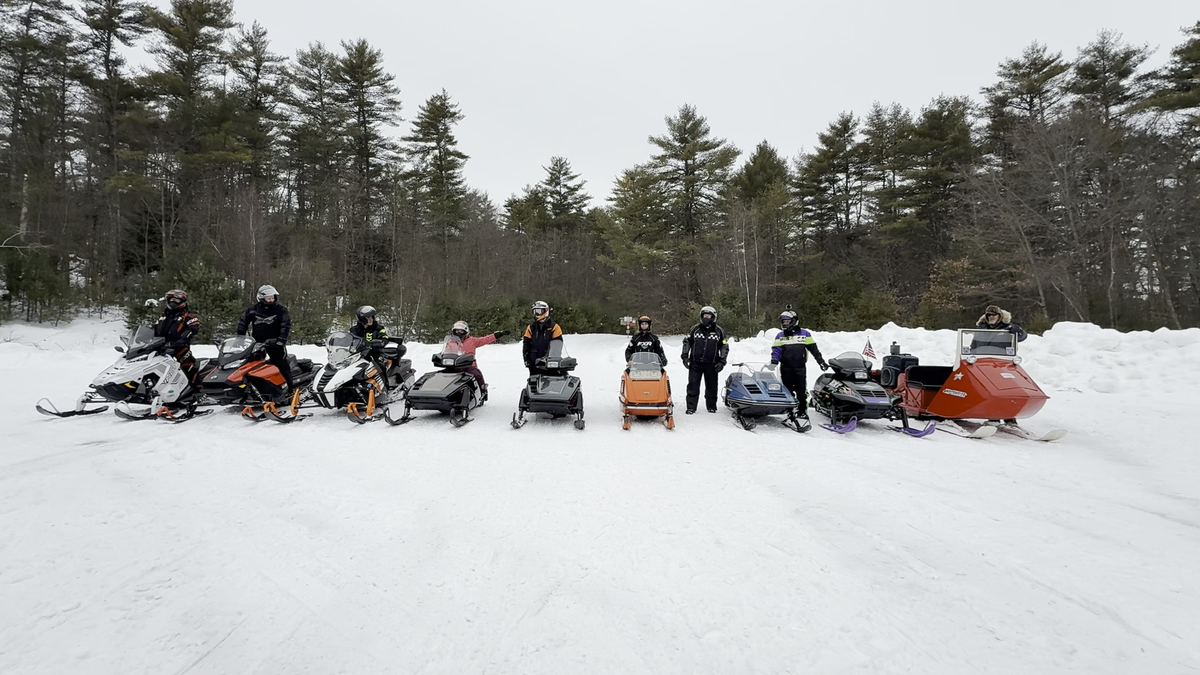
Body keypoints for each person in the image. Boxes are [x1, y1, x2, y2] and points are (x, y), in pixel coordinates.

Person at [769, 310, 828, 419]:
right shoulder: (780, 336)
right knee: (787, 390)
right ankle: (790, 410)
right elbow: (776, 350)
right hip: (785, 368)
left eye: (787, 321)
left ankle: (802, 411)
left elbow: (814, 350)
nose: (785, 324)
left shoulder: (805, 334)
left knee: (801, 391)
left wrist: (821, 362)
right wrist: (774, 361)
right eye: (783, 321)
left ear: (793, 321)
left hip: (800, 368)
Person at [236, 284, 294, 390]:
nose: (271, 300)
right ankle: (255, 387)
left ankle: (290, 388)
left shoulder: (281, 310)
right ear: (261, 298)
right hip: (257, 343)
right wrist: (240, 337)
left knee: (281, 364)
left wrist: (281, 340)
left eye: (273, 297)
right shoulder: (252, 310)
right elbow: (243, 322)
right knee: (252, 365)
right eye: (269, 298)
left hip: (275, 342)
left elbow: (285, 325)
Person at [445, 320, 510, 401]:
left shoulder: (472, 340)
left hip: (468, 366)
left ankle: (483, 392)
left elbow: (485, 339)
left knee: (477, 374)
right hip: (453, 366)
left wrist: (498, 335)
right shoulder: (450, 342)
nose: (459, 332)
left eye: (461, 330)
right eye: (457, 330)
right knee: (442, 376)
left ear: (466, 331)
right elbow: (446, 352)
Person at [680, 305, 729, 414]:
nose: (706, 318)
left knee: (712, 386)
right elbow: (687, 342)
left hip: (712, 364)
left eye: (709, 316)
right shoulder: (694, 329)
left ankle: (711, 406)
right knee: (693, 385)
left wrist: (722, 361)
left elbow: (724, 346)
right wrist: (684, 356)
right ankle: (691, 407)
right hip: (695, 363)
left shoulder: (719, 331)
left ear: (713, 317)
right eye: (704, 315)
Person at [153, 289, 201, 385]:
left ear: (182, 301)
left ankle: (195, 389)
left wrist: (183, 339)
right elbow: (154, 329)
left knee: (188, 365)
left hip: (178, 347)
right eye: (171, 299)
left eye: (176, 300)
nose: (173, 302)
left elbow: (193, 328)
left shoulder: (188, 316)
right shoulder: (163, 316)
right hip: (160, 346)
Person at [350, 305, 404, 387]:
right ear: (362, 319)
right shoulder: (354, 330)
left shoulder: (378, 328)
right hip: (358, 354)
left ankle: (385, 387)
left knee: (380, 366)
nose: (371, 319)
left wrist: (376, 342)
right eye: (368, 318)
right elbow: (349, 340)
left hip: (375, 353)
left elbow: (384, 338)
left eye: (372, 317)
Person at [522, 300, 563, 376]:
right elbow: (526, 344)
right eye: (535, 312)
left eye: (539, 311)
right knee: (534, 383)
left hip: (549, 361)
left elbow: (558, 344)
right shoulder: (531, 327)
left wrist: (554, 357)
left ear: (545, 311)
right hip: (534, 361)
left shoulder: (554, 327)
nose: (537, 314)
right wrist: (526, 359)